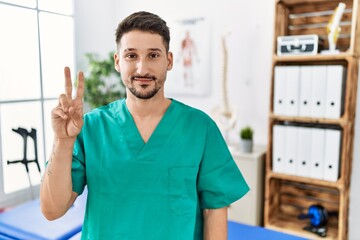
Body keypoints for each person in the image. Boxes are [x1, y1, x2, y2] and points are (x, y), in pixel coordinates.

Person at [40, 11, 249, 240]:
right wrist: (62, 141)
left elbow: (214, 210)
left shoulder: (201, 128)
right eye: (131, 55)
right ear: (118, 61)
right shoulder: (90, 128)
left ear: (168, 61)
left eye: (153, 55)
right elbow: (52, 210)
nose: (142, 69)